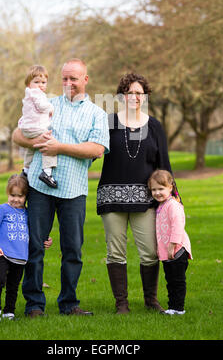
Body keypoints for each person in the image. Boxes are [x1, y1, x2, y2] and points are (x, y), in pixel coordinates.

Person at [12, 58, 109, 317]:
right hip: (40, 188)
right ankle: (34, 304)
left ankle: (69, 304)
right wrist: (36, 143)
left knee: (72, 250)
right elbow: (17, 134)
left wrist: (59, 148)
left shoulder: (97, 114)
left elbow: (97, 148)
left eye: (73, 78)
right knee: (34, 247)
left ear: (85, 80)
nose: (68, 83)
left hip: (74, 191)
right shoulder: (47, 104)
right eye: (64, 78)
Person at [97, 72, 177, 314]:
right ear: (122, 96)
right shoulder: (108, 122)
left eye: (139, 93)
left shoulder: (154, 126)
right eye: (130, 93)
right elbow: (93, 150)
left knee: (150, 252)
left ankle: (150, 300)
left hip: (146, 200)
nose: (135, 97)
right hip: (111, 199)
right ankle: (121, 303)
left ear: (146, 96)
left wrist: (175, 197)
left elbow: (164, 164)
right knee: (115, 252)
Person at [0, 174, 53, 321]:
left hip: (20, 256)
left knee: (13, 286)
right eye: (12, 195)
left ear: (26, 196)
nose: (16, 199)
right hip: (3, 253)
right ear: (7, 193)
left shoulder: (28, 213)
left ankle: (9, 311)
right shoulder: (2, 209)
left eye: (20, 196)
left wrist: (45, 239)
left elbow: (34, 231)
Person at [148, 169, 192, 315]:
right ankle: (172, 307)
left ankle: (178, 308)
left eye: (161, 189)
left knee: (177, 281)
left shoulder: (173, 205)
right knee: (171, 281)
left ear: (170, 187)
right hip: (168, 253)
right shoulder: (161, 205)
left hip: (177, 251)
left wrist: (172, 245)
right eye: (154, 189)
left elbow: (177, 226)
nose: (157, 192)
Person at [18, 64, 57, 188]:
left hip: (27, 128)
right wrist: (51, 107)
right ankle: (47, 172)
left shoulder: (29, 94)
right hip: (36, 127)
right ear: (29, 83)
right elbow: (41, 106)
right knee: (50, 144)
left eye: (43, 82)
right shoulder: (36, 93)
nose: (40, 85)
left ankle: (26, 169)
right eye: (36, 82)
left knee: (31, 148)